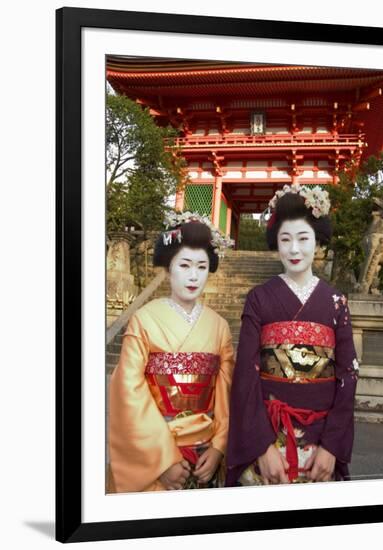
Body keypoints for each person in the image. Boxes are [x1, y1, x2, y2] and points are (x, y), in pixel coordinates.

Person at [226, 184, 359, 487]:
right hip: (268, 434)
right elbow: (246, 374)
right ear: (276, 242)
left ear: (318, 241)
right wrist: (260, 446)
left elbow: (347, 375)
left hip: (321, 440)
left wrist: (331, 447)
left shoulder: (336, 301)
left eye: (303, 238)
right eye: (285, 239)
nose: (294, 249)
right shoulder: (258, 298)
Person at [109, 213, 235, 493]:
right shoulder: (144, 319)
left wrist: (218, 448)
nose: (193, 276)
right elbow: (128, 392)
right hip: (155, 447)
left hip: (205, 454)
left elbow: (225, 397)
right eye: (185, 265)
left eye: (202, 266)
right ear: (168, 269)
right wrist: (162, 461)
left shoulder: (220, 327)